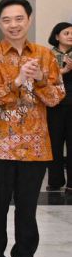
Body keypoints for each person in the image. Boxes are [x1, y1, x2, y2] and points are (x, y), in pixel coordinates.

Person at [0, 0, 64, 257]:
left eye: (19, 19)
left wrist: (39, 79)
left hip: (36, 148)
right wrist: (15, 81)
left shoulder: (45, 55)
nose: (13, 25)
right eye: (7, 20)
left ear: (29, 20)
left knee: (27, 210)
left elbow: (55, 98)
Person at [46, 21, 72, 191]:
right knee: (54, 144)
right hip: (54, 106)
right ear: (57, 36)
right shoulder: (47, 55)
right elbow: (43, 79)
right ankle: (55, 181)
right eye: (66, 33)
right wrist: (63, 71)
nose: (70, 36)